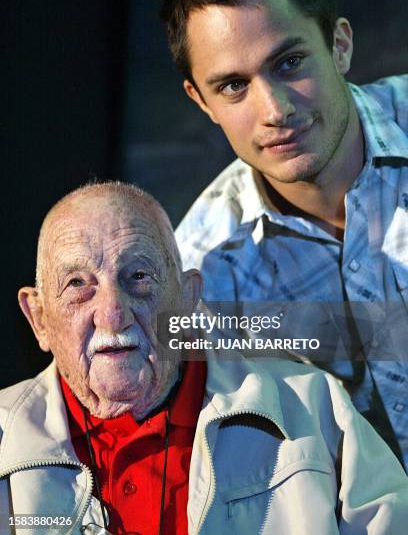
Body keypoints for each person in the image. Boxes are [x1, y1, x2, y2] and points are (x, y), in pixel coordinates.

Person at [1, 182, 407, 534]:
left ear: (188, 298)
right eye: (77, 284)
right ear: (38, 318)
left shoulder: (313, 407)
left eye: (139, 277)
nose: (112, 314)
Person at [160, 0, 408, 469]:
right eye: (231, 86)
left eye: (290, 61)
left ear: (339, 46)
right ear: (200, 101)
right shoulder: (202, 275)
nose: (273, 110)